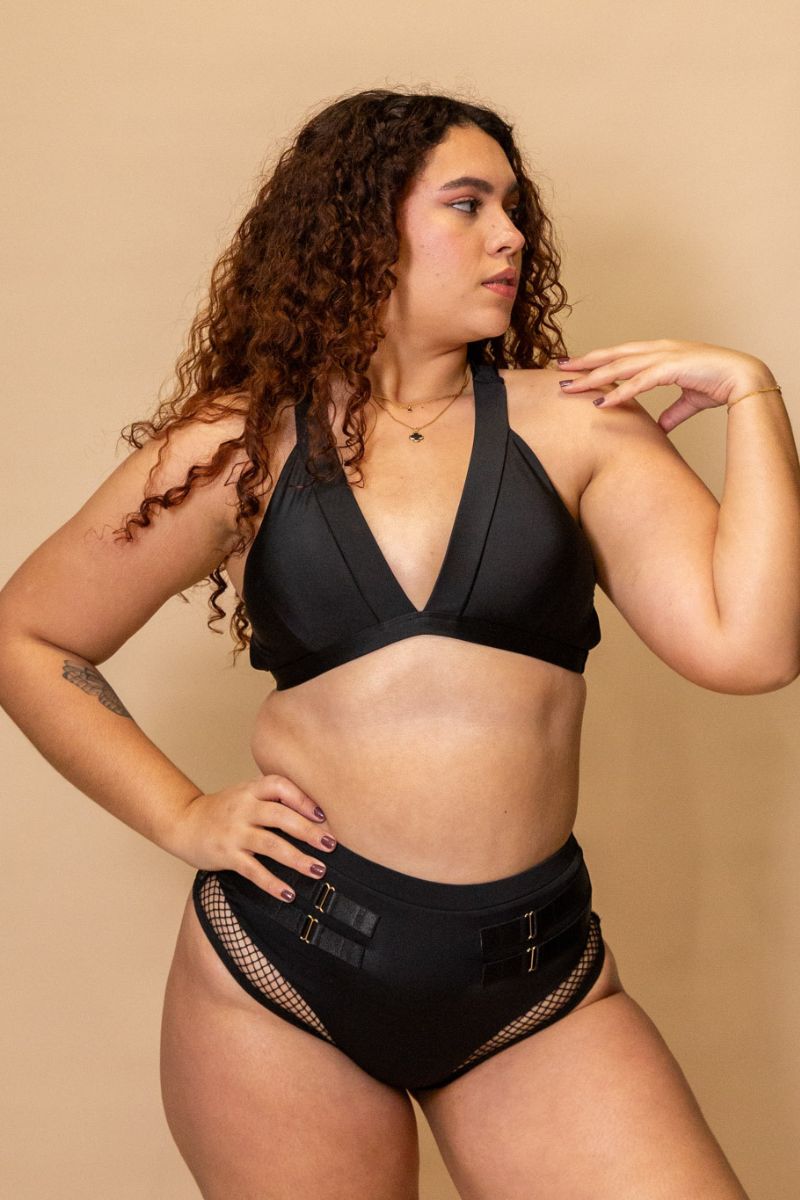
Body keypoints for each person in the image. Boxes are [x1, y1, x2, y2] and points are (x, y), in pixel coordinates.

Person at [1, 86, 797, 1200]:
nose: (511, 235)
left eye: (513, 209)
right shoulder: (240, 445)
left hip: (531, 978)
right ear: (364, 225)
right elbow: (30, 635)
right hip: (285, 971)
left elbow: (749, 649)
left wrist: (754, 400)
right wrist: (182, 815)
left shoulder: (582, 423)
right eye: (468, 205)